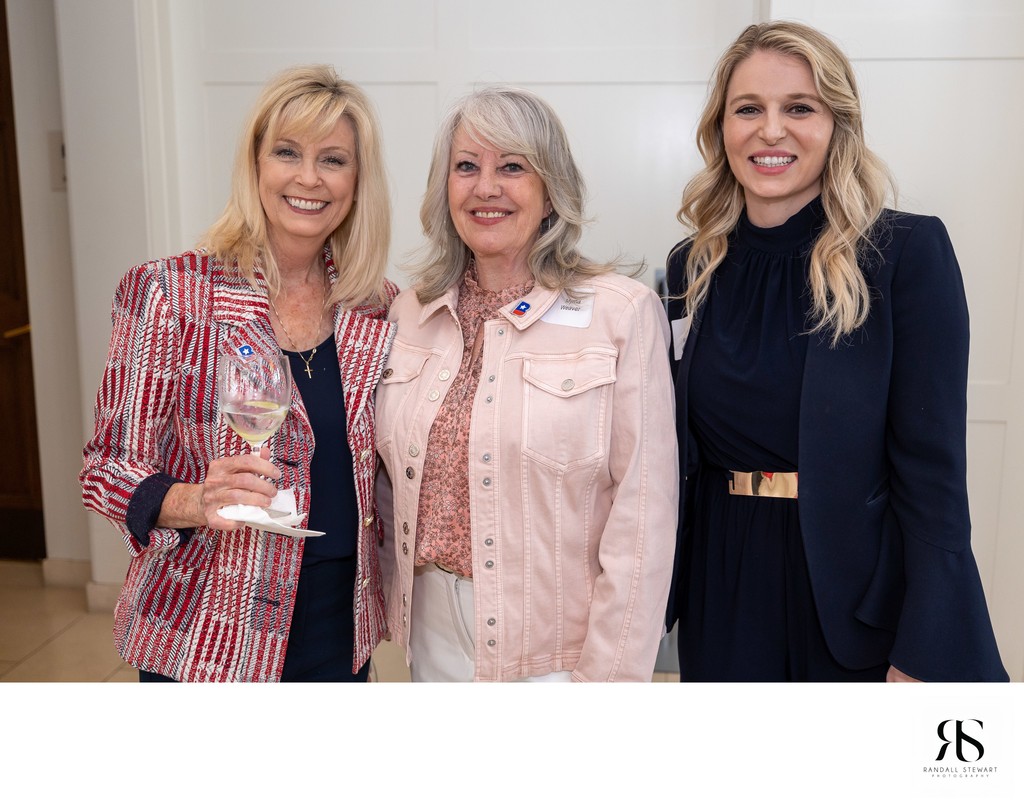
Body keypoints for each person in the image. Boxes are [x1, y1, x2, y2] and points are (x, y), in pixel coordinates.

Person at [665, 21, 1007, 682]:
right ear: (721, 128)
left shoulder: (903, 255)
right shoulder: (692, 267)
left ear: (837, 125)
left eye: (800, 108)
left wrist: (926, 643)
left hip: (854, 598)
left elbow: (933, 474)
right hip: (721, 585)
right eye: (748, 109)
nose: (771, 131)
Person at [81, 65, 398, 682]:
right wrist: (195, 499)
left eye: (333, 160)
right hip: (207, 635)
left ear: (358, 181)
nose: (309, 178)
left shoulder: (378, 308)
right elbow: (106, 468)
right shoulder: (171, 293)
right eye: (287, 152)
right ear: (255, 164)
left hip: (341, 629)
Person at [375, 86, 678, 682]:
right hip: (429, 630)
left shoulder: (621, 314)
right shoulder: (409, 313)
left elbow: (643, 518)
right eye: (467, 167)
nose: (486, 188)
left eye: (512, 167)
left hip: (559, 650)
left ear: (550, 192)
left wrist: (609, 680)